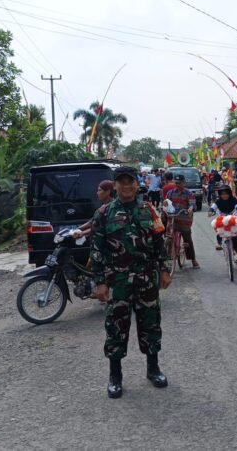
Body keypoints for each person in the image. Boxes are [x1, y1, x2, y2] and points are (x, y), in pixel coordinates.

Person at [90, 166, 172, 399]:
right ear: (115, 186)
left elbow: (159, 242)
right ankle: (115, 376)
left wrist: (165, 269)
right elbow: (96, 250)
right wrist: (100, 282)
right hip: (118, 281)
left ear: (137, 184)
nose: (126, 186)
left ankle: (153, 369)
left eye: (130, 181)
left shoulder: (149, 210)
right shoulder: (104, 213)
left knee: (151, 323)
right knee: (116, 327)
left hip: (146, 278)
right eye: (122, 182)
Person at [165, 174, 200, 269]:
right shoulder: (170, 193)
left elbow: (192, 204)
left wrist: (191, 208)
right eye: (176, 183)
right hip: (173, 219)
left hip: (184, 220)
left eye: (179, 183)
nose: (177, 185)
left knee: (187, 239)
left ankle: (193, 260)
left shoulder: (189, 193)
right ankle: (167, 255)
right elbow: (166, 203)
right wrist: (164, 207)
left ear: (184, 183)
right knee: (168, 236)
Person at [210, 184, 237, 263]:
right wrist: (210, 211)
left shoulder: (234, 200)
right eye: (222, 194)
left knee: (235, 234)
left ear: (229, 193)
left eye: (226, 194)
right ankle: (219, 243)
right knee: (219, 230)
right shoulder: (218, 201)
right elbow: (213, 207)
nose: (224, 195)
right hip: (222, 219)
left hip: (233, 218)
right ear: (220, 194)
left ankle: (236, 250)